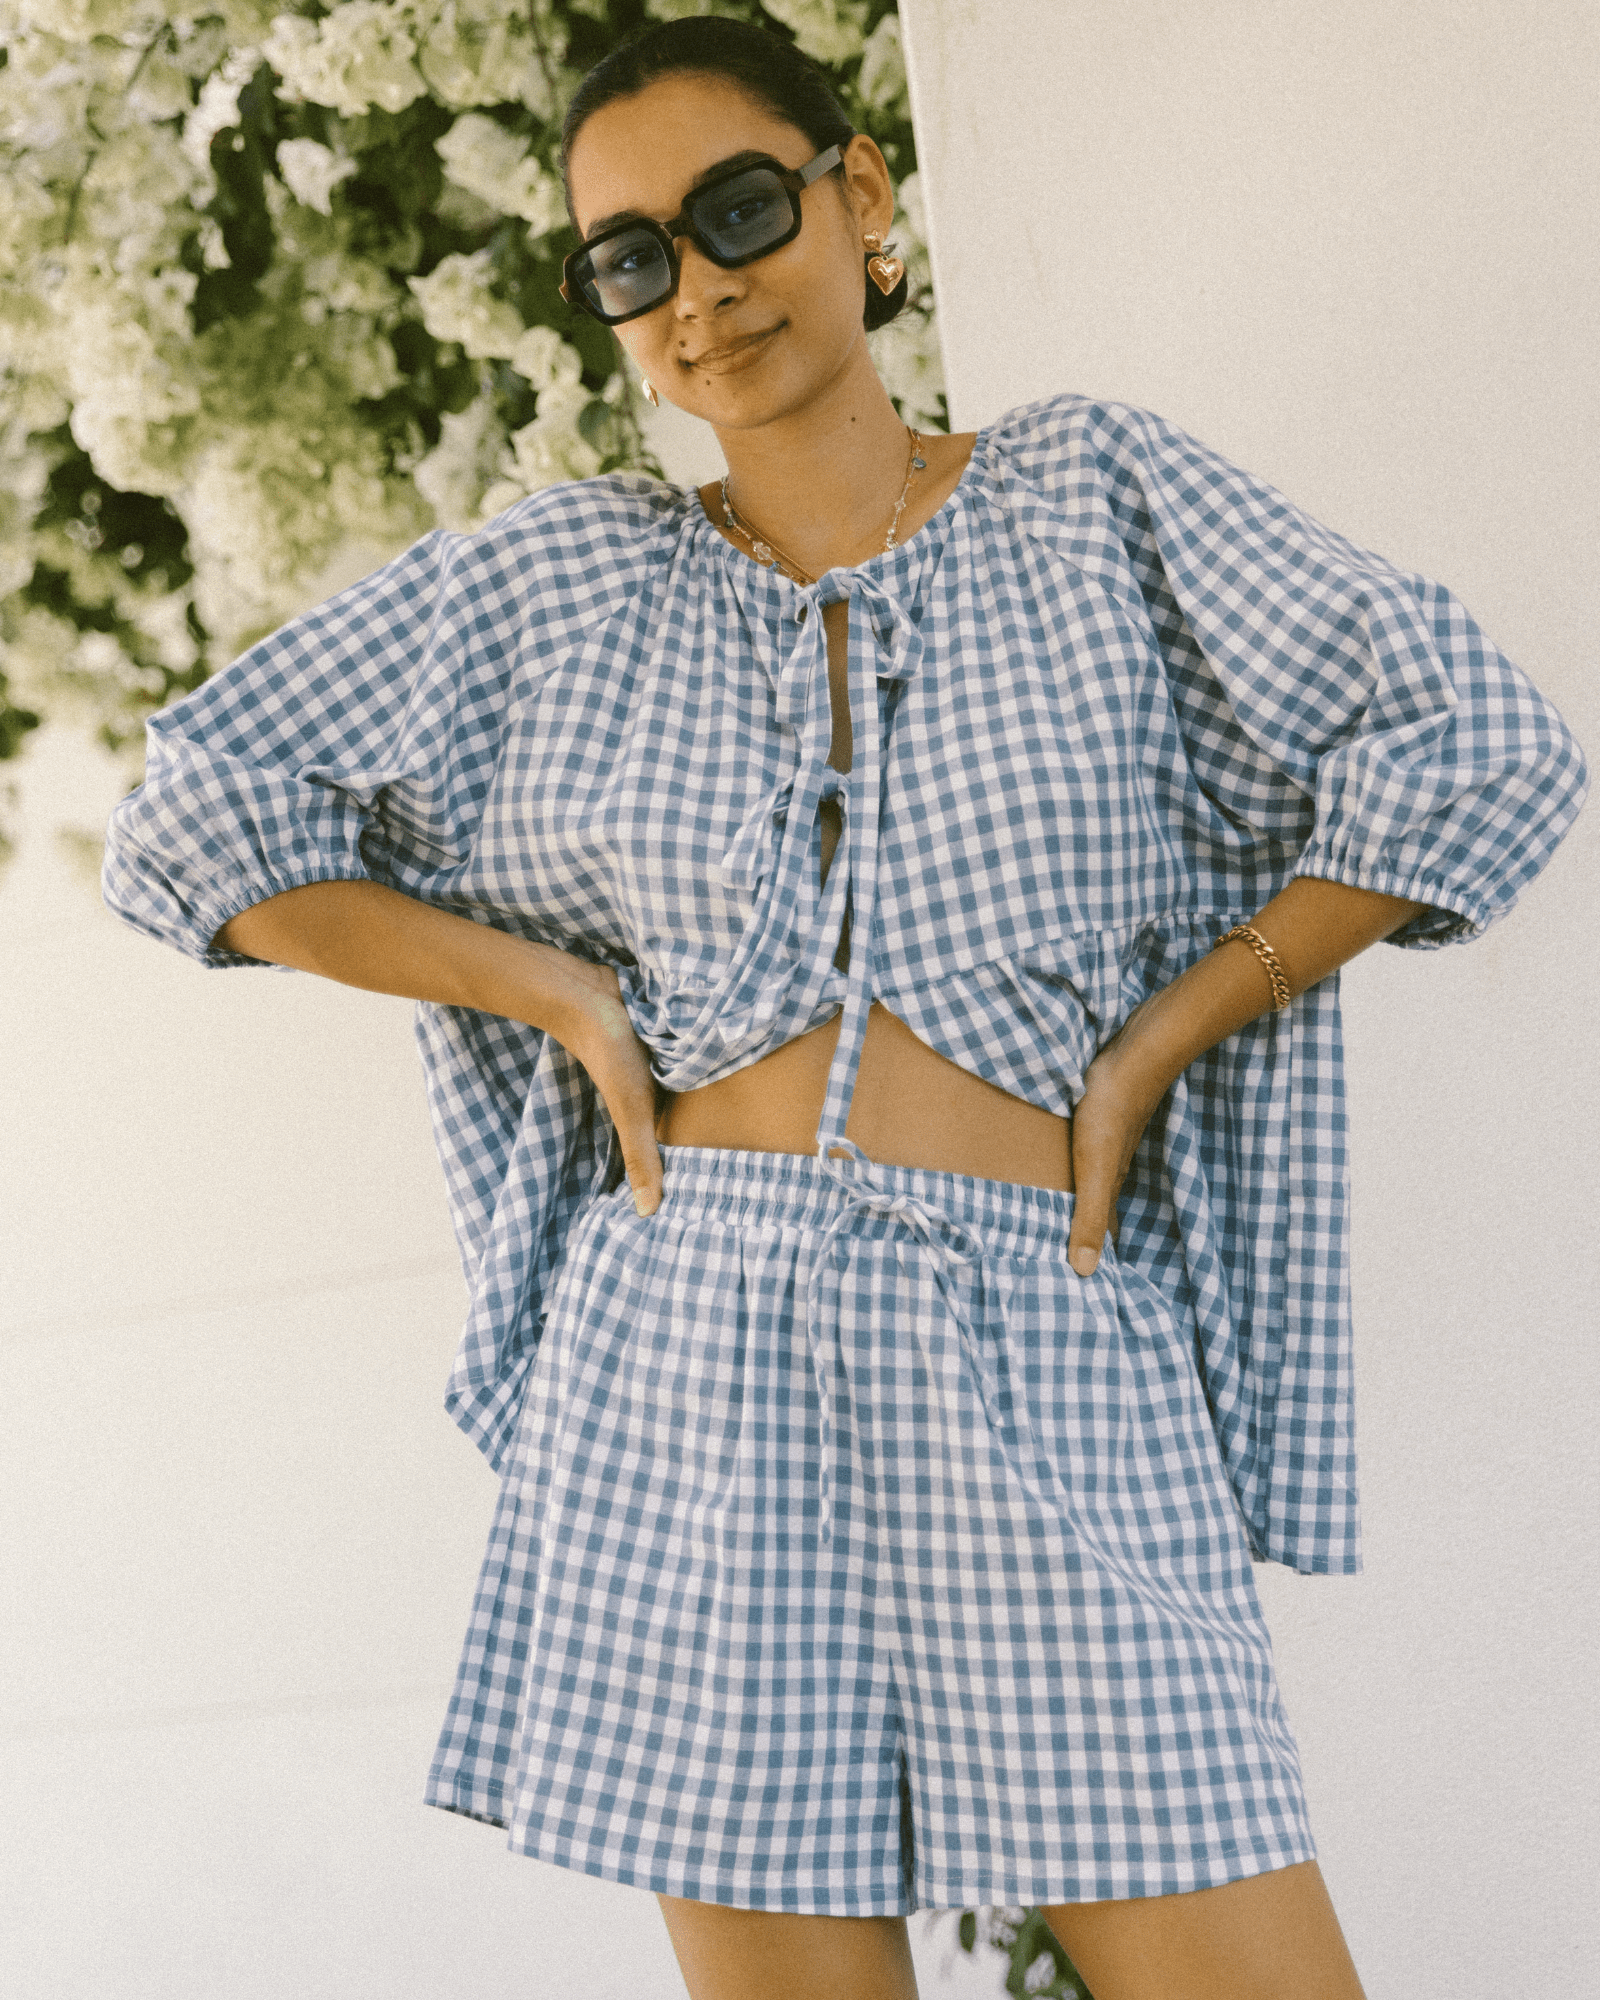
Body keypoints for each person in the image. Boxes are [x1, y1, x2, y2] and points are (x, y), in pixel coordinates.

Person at [100, 18, 1586, 2000]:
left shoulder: (1095, 497)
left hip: (1044, 1330)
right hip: (688, 1353)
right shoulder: (560, 584)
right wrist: (546, 988)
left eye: (736, 212)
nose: (696, 289)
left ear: (857, 194)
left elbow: (1474, 742)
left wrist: (1166, 1033)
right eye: (629, 257)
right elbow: (193, 814)